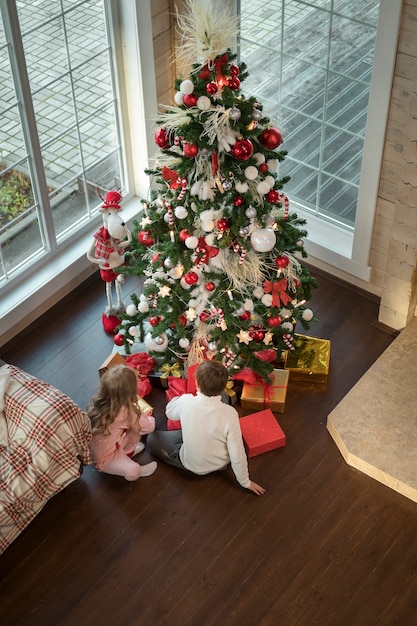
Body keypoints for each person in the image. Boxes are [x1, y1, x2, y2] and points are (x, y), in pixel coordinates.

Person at [146, 360, 265, 495]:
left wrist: (180, 399)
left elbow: (170, 413)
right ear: (223, 386)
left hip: (193, 465)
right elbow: (237, 452)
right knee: (223, 400)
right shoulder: (230, 414)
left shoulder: (186, 401)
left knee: (152, 438)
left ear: (196, 383)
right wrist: (245, 482)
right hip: (222, 463)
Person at [87, 365, 157, 481]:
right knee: (134, 470)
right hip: (105, 459)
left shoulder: (99, 402)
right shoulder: (126, 412)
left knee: (134, 427)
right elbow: (149, 427)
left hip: (104, 446)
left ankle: (126, 452)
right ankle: (136, 469)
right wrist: (148, 417)